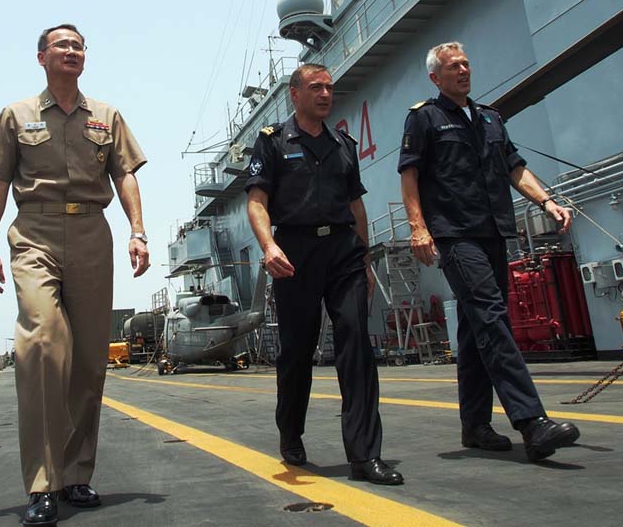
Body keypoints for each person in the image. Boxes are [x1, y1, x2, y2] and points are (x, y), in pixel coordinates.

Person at [0, 24, 149, 526]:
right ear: (41, 57)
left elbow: (125, 175)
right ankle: (43, 483)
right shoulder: (16, 116)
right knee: (42, 344)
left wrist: (137, 230)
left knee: (90, 362)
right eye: (63, 45)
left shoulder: (107, 116)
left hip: (93, 234)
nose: (73, 51)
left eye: (79, 46)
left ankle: (76, 474)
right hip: (34, 233)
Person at [398, 41, 580, 462]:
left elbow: (514, 167)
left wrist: (547, 201)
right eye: (453, 66)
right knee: (492, 317)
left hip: (494, 231)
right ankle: (532, 422)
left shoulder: (489, 118)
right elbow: (410, 174)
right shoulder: (425, 117)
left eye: (466, 63)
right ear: (435, 77)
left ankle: (475, 425)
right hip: (455, 234)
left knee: (474, 325)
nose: (463, 70)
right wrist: (418, 228)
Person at [246, 63, 403, 486]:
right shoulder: (273, 144)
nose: (325, 94)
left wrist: (365, 260)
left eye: (329, 88)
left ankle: (365, 455)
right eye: (316, 87)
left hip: (343, 251)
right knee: (296, 351)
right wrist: (269, 246)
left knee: (356, 344)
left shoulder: (343, 144)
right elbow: (257, 202)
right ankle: (290, 433)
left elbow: (356, 207)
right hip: (293, 251)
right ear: (294, 95)